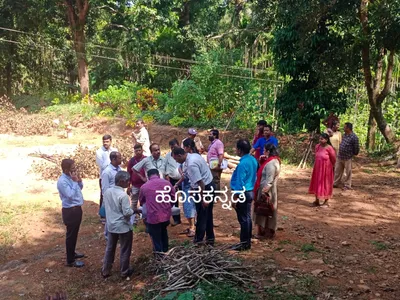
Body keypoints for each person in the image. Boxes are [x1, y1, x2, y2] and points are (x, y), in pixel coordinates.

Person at [173, 147, 215, 245]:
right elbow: (195, 178)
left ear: (179, 155)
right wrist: (192, 188)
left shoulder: (191, 164)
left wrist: (203, 198)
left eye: (176, 159)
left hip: (205, 188)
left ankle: (198, 241)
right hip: (208, 185)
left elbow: (201, 183)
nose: (176, 161)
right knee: (208, 215)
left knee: (201, 215)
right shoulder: (193, 156)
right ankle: (210, 239)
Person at [101, 171, 134, 279]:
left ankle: (106, 270)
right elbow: (127, 212)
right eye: (127, 181)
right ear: (122, 181)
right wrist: (134, 210)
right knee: (125, 249)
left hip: (111, 224)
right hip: (122, 226)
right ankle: (124, 271)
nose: (128, 183)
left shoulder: (107, 192)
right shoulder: (122, 195)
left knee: (110, 247)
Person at [230, 139, 258, 251]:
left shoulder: (242, 164)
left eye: (236, 148)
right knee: (247, 217)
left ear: (240, 150)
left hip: (243, 193)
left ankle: (244, 244)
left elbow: (240, 182)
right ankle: (247, 242)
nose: (235, 150)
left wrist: (235, 198)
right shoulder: (253, 160)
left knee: (243, 219)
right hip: (250, 191)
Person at [57, 159, 85, 268]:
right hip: (70, 211)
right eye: (72, 169)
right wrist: (74, 182)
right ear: (65, 169)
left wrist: (79, 181)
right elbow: (70, 195)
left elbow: (79, 189)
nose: (74, 170)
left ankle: (72, 253)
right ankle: (70, 260)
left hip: (77, 209)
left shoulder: (71, 178)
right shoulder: (62, 181)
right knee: (71, 235)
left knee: (74, 234)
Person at [139, 169, 175, 254]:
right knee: (164, 231)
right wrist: (168, 207)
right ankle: (166, 252)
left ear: (148, 176)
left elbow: (141, 201)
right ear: (158, 175)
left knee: (155, 236)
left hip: (153, 217)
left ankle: (159, 256)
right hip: (166, 215)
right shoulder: (167, 183)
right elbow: (173, 198)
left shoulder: (144, 187)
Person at [253, 144, 281, 239]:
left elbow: (269, 179)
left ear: (268, 151)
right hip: (270, 189)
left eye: (264, 150)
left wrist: (264, 192)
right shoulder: (273, 161)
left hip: (267, 190)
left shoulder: (271, 163)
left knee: (264, 210)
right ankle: (266, 230)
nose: (263, 152)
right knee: (268, 210)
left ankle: (265, 232)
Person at [174, 138, 198, 237]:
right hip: (186, 186)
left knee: (190, 206)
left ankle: (192, 227)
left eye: (184, 146)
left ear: (188, 147)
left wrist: (177, 183)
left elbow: (186, 176)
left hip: (191, 186)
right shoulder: (187, 158)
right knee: (188, 206)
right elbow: (180, 168)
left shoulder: (191, 160)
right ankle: (192, 225)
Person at [308, 133, 336, 207]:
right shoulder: (317, 146)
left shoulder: (329, 148)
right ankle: (316, 200)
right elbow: (317, 156)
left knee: (326, 184)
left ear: (326, 140)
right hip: (317, 169)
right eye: (319, 138)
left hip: (326, 169)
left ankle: (326, 202)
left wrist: (331, 167)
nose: (320, 140)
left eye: (322, 139)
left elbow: (333, 159)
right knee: (317, 183)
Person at [101, 152, 122, 239]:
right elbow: (105, 188)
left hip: (118, 196)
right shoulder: (107, 172)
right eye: (119, 158)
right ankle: (107, 235)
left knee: (117, 216)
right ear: (113, 159)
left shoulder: (119, 169)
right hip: (111, 198)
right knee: (110, 217)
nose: (121, 159)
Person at [334, 122, 359, 190]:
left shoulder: (354, 137)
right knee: (337, 171)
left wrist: (353, 154)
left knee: (348, 172)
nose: (343, 128)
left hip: (348, 157)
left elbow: (356, 148)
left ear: (348, 128)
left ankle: (347, 185)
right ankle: (335, 183)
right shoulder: (344, 135)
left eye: (344, 127)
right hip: (340, 156)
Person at [95, 135, 117, 212]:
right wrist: (112, 163)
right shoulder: (99, 152)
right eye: (104, 142)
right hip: (104, 177)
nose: (105, 143)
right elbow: (102, 165)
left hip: (115, 177)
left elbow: (118, 163)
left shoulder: (115, 150)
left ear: (111, 141)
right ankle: (103, 214)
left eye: (107, 142)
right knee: (104, 195)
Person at [164, 139, 183, 226]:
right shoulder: (168, 156)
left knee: (186, 197)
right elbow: (165, 166)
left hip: (183, 179)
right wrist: (167, 175)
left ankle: (192, 219)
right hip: (171, 180)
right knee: (173, 199)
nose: (173, 149)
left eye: (174, 147)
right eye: (171, 147)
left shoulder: (182, 154)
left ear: (178, 145)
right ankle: (176, 219)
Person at [127, 144, 147, 221]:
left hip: (145, 185)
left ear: (142, 150)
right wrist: (128, 186)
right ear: (134, 151)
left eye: (139, 150)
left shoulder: (146, 159)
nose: (138, 152)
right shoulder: (132, 161)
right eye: (136, 151)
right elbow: (128, 173)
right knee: (134, 202)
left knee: (145, 202)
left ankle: (145, 218)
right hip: (135, 185)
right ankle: (132, 219)